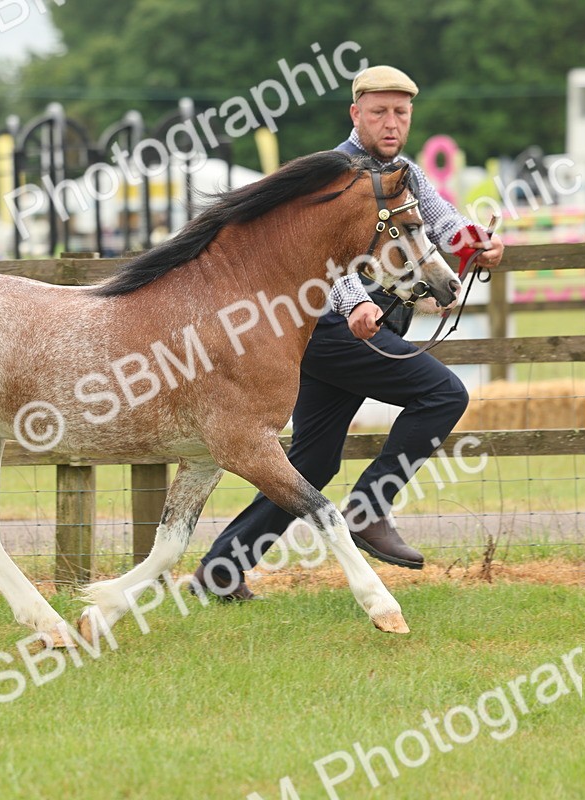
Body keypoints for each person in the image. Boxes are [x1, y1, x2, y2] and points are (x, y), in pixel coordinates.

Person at [193, 65, 505, 600]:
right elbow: (325, 258)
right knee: (442, 393)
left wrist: (479, 241)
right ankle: (370, 509)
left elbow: (443, 218)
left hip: (344, 330)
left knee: (312, 460)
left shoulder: (404, 171)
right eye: (379, 111)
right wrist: (356, 303)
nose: (391, 122)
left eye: (401, 113)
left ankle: (220, 572)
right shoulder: (336, 175)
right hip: (334, 326)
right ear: (355, 113)